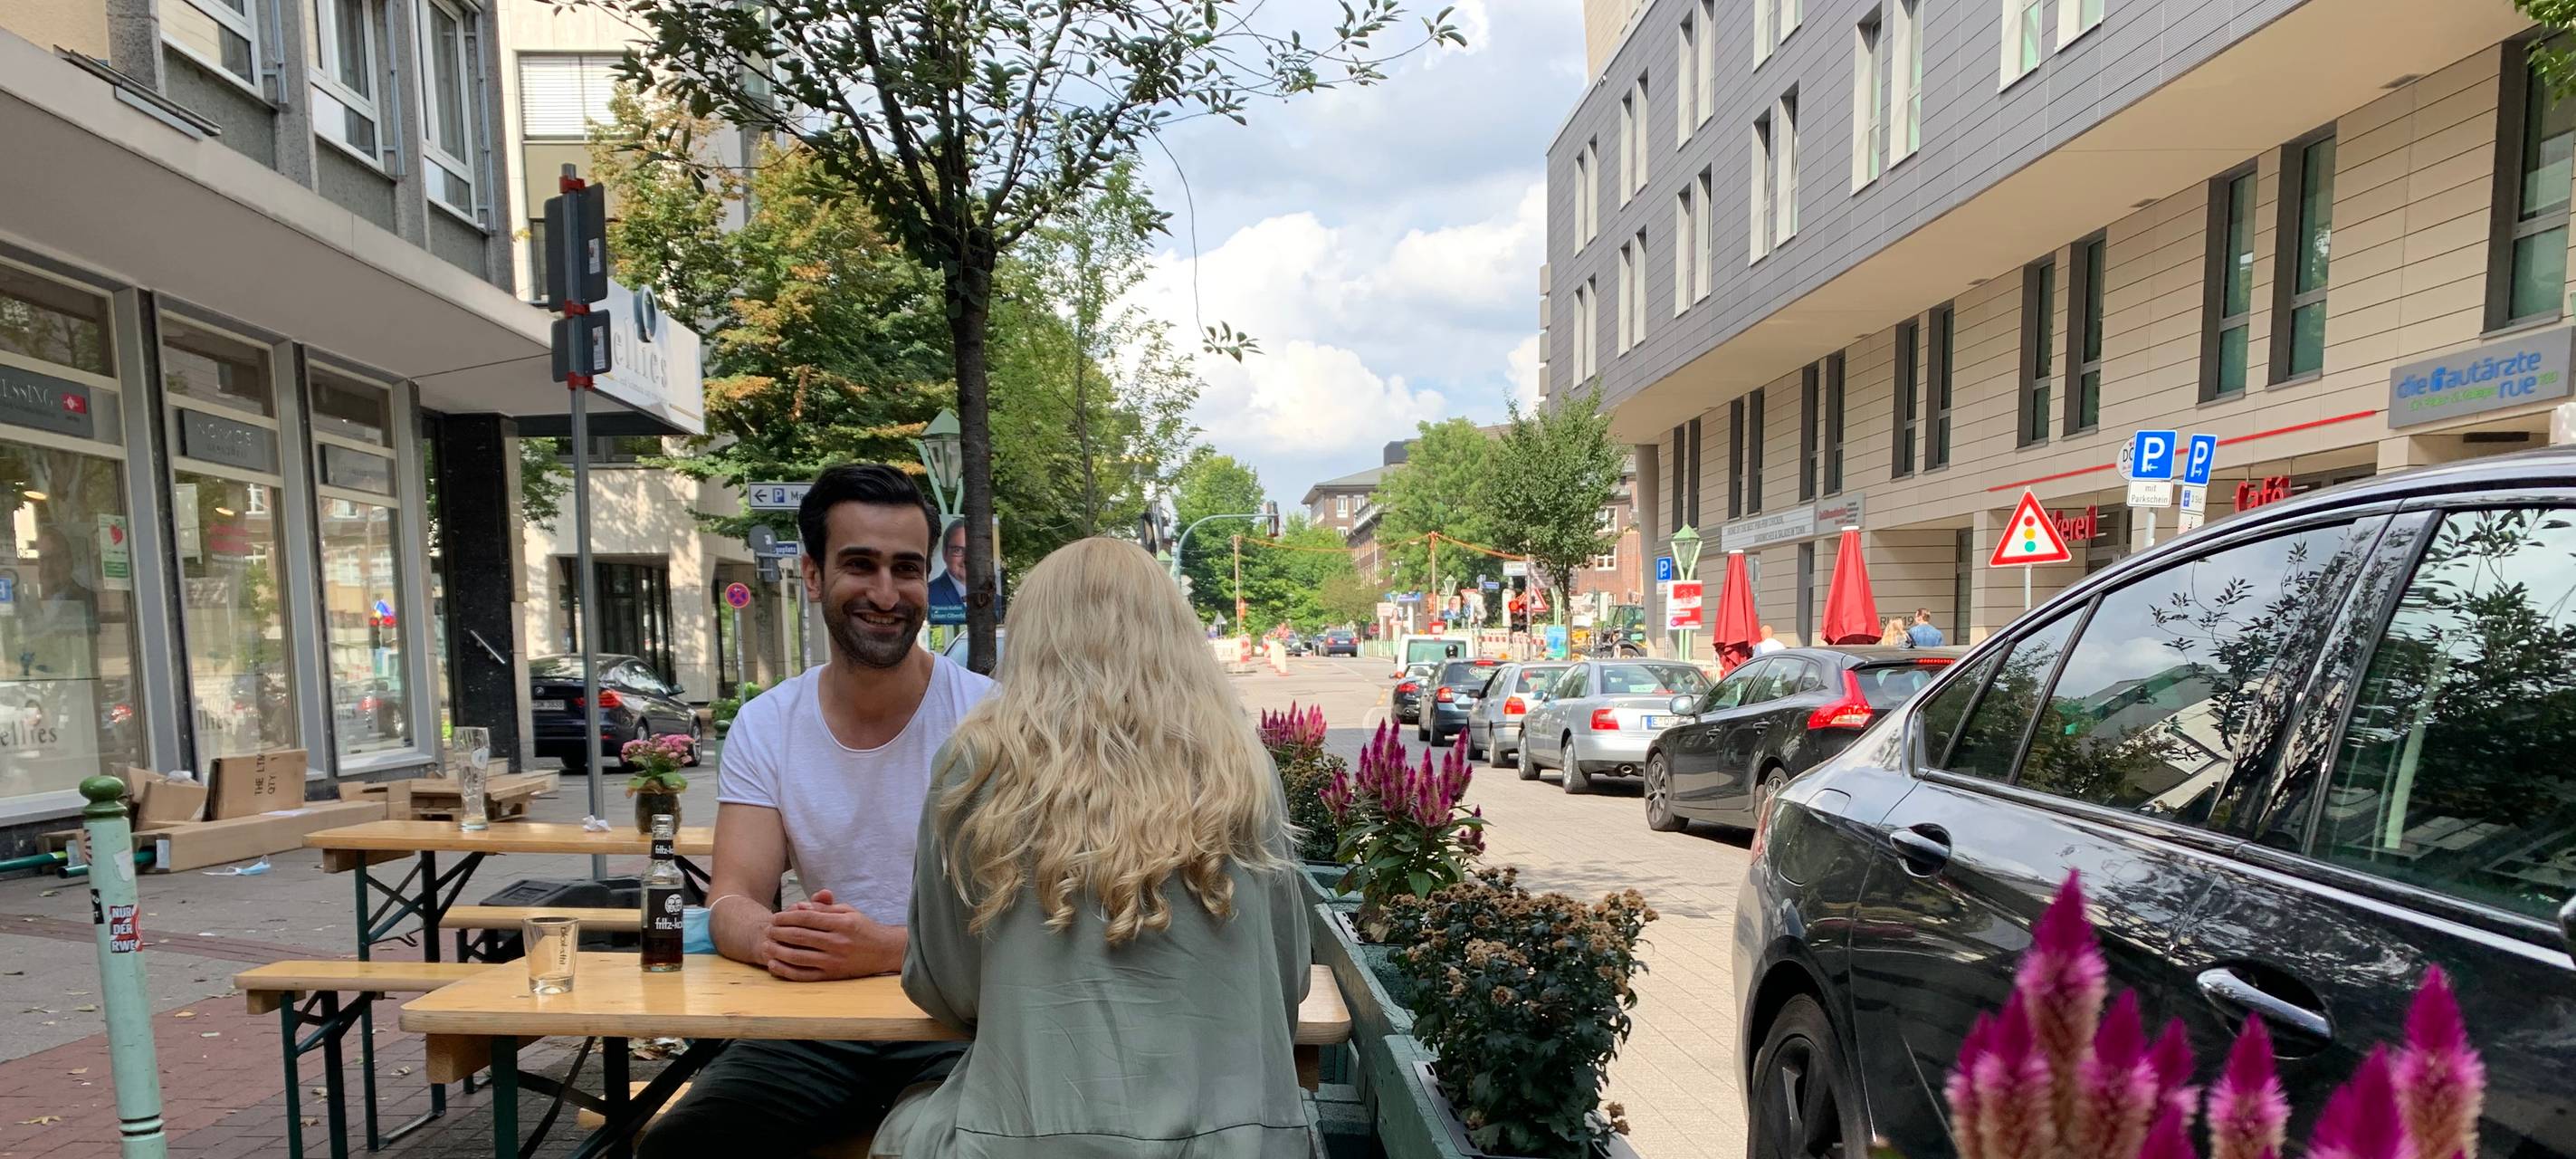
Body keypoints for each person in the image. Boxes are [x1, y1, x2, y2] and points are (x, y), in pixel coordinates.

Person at [870, 538, 1312, 1159]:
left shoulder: (975, 765)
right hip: (1231, 1146)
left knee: (903, 1117)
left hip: (1025, 1145)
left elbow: (949, 990)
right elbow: (1286, 983)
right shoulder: (1243, 766)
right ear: (1177, 636)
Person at [639, 465, 997, 1159]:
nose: (887, 594)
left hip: (956, 1026)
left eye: (906, 569)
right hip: (812, 1032)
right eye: (860, 565)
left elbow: (1028, 922)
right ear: (811, 576)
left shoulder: (991, 718)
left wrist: (886, 950)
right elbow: (734, 897)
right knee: (679, 1146)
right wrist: (774, 940)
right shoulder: (768, 723)